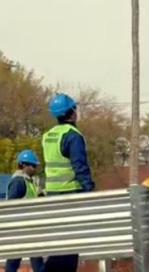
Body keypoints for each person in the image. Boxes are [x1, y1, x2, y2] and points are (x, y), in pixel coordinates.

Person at [41, 93, 95, 272]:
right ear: (71, 112)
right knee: (71, 243)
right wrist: (90, 191)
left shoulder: (48, 136)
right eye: (75, 108)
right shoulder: (73, 136)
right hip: (71, 193)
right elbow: (80, 166)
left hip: (52, 195)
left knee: (58, 241)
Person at [4, 150, 45, 272]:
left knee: (15, 261)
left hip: (27, 227)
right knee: (32, 261)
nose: (35, 168)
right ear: (24, 165)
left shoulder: (28, 181)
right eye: (32, 166)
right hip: (21, 227)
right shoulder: (18, 182)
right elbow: (11, 206)